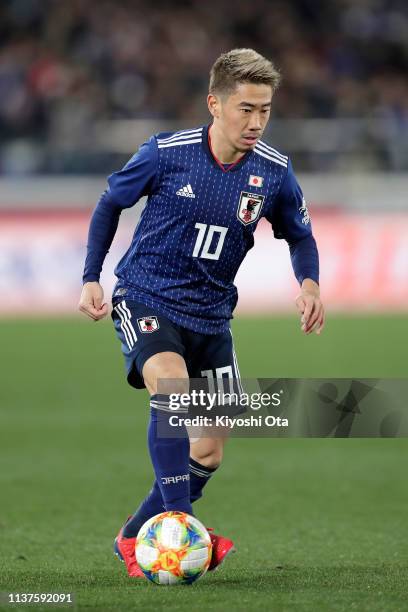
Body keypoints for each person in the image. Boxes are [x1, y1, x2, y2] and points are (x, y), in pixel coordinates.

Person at [79, 48, 325, 578]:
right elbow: (110, 203)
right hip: (148, 294)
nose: (256, 121)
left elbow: (300, 234)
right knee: (169, 386)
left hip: (212, 317)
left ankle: (132, 536)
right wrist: (91, 277)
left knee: (208, 451)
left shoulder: (274, 173)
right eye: (245, 108)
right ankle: (181, 525)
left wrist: (308, 283)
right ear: (214, 103)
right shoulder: (167, 153)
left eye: (265, 110)